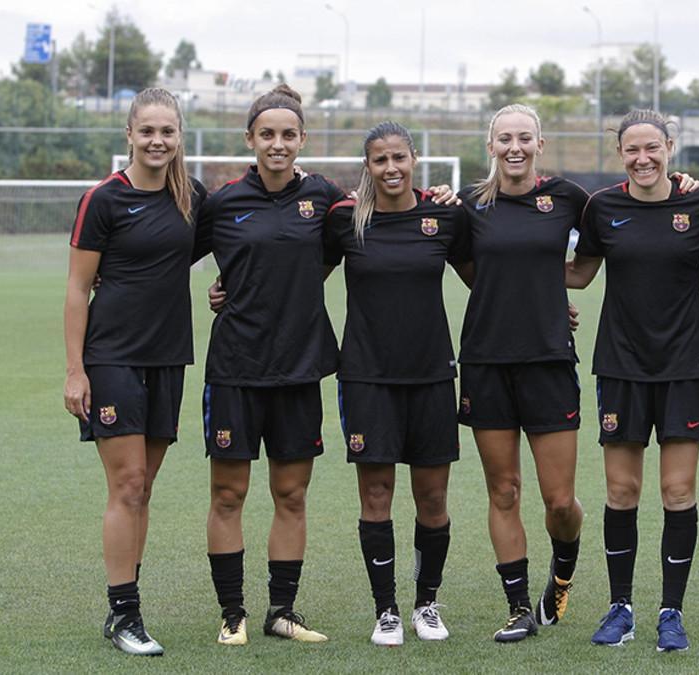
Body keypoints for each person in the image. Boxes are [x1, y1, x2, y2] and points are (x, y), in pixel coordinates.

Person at [565, 109, 699, 651]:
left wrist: (681, 274)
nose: (643, 158)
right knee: (621, 490)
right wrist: (516, 265)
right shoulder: (602, 207)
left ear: (670, 147)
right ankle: (620, 607)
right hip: (621, 363)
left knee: (677, 491)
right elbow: (580, 273)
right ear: (620, 153)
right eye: (632, 149)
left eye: (652, 147)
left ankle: (671, 613)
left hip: (685, 364)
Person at [196, 84, 346, 647]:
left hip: (300, 368)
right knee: (228, 494)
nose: (277, 144)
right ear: (250, 140)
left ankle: (281, 611)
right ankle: (232, 612)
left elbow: (364, 232)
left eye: (288, 134)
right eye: (267, 135)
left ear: (302, 139)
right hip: (235, 368)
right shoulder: (222, 203)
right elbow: (163, 252)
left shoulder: (326, 198)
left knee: (291, 494)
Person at [63, 87, 208, 656]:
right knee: (126, 484)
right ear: (129, 134)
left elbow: (230, 243)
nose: (157, 141)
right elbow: (77, 289)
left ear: (179, 137)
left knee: (144, 486)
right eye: (147, 131)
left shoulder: (191, 198)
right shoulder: (103, 199)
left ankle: (123, 607)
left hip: (169, 357)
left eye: (167, 132)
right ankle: (126, 615)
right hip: (112, 358)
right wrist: (75, 371)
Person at [323, 121, 472, 646]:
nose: (391, 169)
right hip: (366, 377)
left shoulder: (445, 214)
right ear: (368, 166)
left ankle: (426, 604)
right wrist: (229, 290)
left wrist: (549, 303)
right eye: (380, 160)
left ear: (415, 160)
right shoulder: (345, 221)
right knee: (377, 493)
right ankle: (386, 610)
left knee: (432, 498)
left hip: (432, 375)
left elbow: (489, 275)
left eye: (399, 158)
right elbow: (294, 270)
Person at [453, 103, 587, 643]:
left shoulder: (568, 199)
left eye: (524, 138)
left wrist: (551, 297)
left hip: (550, 362)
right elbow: (468, 268)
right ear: (490, 146)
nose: (515, 147)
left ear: (539, 144)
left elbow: (615, 235)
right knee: (504, 490)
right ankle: (517, 608)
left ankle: (562, 570)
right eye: (504, 138)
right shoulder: (469, 206)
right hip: (486, 362)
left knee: (559, 500)